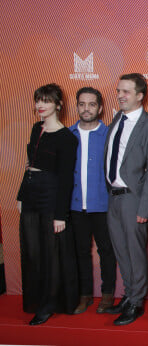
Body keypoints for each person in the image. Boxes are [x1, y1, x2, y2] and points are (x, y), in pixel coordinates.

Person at [16, 83, 79, 325]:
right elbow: (29, 164)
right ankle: (37, 299)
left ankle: (49, 304)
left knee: (51, 252)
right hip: (31, 192)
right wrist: (22, 195)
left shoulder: (66, 138)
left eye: (46, 100)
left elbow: (65, 179)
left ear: (58, 104)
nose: (40, 105)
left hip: (51, 195)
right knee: (32, 250)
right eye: (38, 100)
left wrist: (60, 215)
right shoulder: (36, 128)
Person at [104, 73, 148, 326]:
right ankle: (128, 295)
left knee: (134, 253)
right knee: (121, 251)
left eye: (126, 92)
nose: (120, 96)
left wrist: (145, 206)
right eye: (118, 91)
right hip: (113, 198)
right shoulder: (118, 118)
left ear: (140, 95)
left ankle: (136, 302)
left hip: (134, 200)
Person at [69, 87, 116, 314]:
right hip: (75, 206)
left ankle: (107, 296)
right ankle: (84, 295)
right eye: (82, 104)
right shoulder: (68, 135)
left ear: (100, 108)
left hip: (103, 206)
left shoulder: (109, 134)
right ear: (76, 106)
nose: (86, 109)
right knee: (80, 252)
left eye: (91, 104)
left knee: (106, 251)